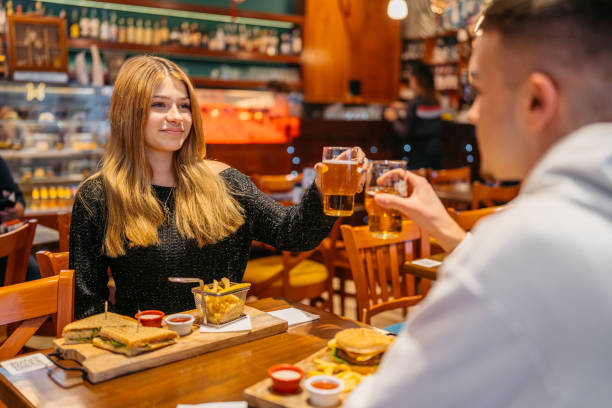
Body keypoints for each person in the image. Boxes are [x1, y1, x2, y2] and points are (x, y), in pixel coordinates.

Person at [347, 0, 612, 406]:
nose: (471, 114)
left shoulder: (521, 244)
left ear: (536, 102)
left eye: (480, 91)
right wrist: (445, 228)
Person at [69, 56, 364, 319]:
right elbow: (87, 310)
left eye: (184, 106)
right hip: (148, 353)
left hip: (227, 341)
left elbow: (293, 233)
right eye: (159, 105)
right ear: (127, 114)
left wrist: (327, 187)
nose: (176, 116)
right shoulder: (98, 196)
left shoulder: (225, 182)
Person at [383, 61, 443, 169]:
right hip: (436, 153)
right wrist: (405, 106)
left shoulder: (414, 104)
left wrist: (393, 119)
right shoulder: (436, 101)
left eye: (410, 79)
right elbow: (423, 116)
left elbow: (405, 133)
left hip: (418, 156)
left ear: (416, 79)